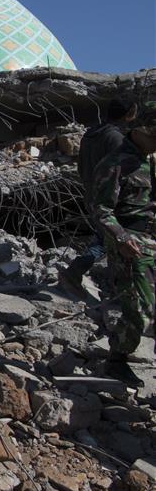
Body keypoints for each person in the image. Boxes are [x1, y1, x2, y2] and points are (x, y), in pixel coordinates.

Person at [90, 115, 156, 385]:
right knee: (141, 311)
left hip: (152, 241)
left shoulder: (150, 161)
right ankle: (117, 359)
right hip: (131, 246)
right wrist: (121, 238)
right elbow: (102, 210)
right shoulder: (115, 164)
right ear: (139, 130)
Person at [60, 97, 138, 297]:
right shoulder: (115, 138)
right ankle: (78, 272)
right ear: (129, 114)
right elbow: (123, 171)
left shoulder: (90, 134)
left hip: (91, 193)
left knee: (105, 238)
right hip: (109, 197)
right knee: (112, 239)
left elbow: (81, 166)